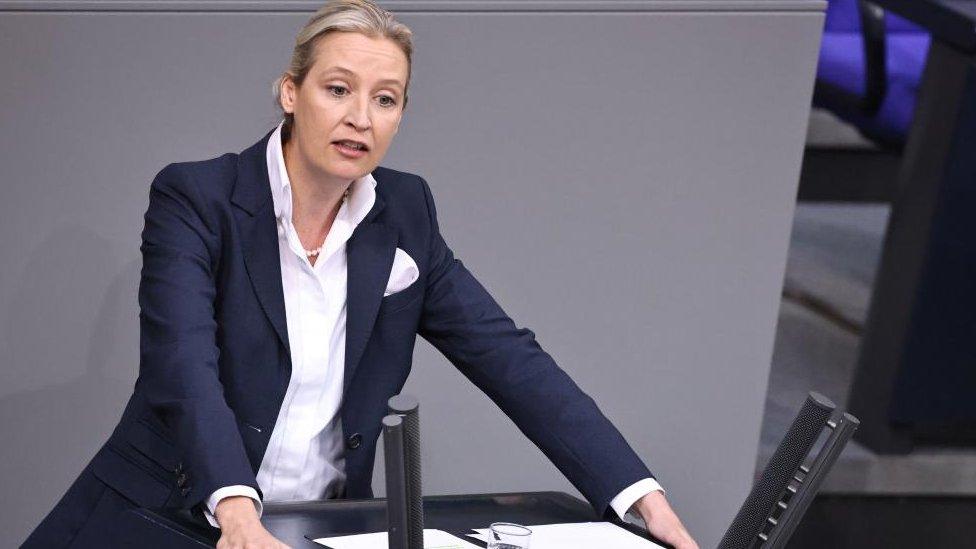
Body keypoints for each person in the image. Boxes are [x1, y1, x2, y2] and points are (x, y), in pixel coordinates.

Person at [25, 1, 698, 547]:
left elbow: (510, 358)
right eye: (338, 89)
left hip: (313, 530)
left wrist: (639, 494)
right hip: (166, 516)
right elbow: (184, 367)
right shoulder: (199, 199)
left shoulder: (405, 214)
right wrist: (236, 510)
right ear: (291, 93)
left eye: (386, 99)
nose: (360, 117)